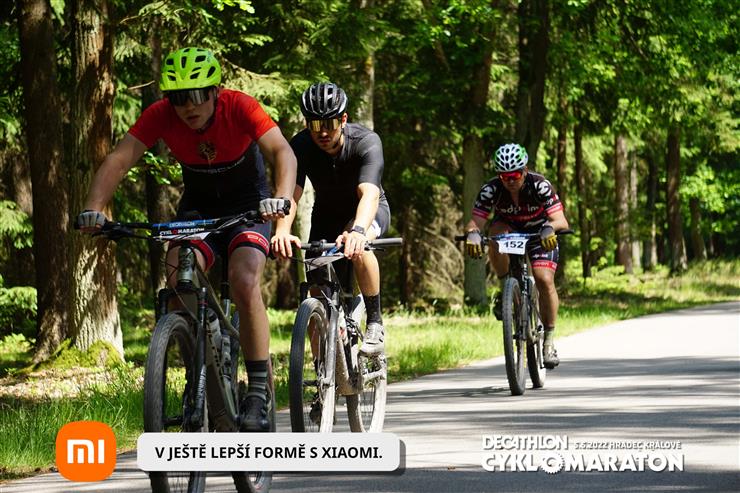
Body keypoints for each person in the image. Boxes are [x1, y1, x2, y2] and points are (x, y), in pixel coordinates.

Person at [76, 47, 297, 431]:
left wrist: (279, 200)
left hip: (249, 206)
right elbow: (119, 159)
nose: (188, 106)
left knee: (244, 280)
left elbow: (283, 151)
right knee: (178, 279)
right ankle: (200, 367)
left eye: (196, 95)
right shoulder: (160, 115)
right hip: (198, 210)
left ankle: (258, 389)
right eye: (178, 98)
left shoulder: (239, 106)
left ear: (215, 92)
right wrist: (95, 207)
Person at [271, 82, 391, 357]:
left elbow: (369, 194)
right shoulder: (301, 145)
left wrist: (358, 230)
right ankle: (321, 373)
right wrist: (282, 230)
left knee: (360, 246)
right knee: (316, 291)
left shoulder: (366, 142)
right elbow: (291, 195)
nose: (323, 132)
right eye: (315, 125)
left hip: (367, 211)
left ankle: (375, 322)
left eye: (330, 123)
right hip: (326, 215)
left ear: (343, 119)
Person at [463, 143, 569, 369]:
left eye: (515, 175)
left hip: (540, 232)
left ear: (525, 170)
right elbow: (475, 222)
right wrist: (472, 234)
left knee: (544, 279)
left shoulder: (540, 185)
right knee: (494, 234)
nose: (510, 180)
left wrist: (550, 228)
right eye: (505, 176)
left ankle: (549, 340)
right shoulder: (491, 189)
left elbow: (561, 220)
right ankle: (506, 289)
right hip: (509, 230)